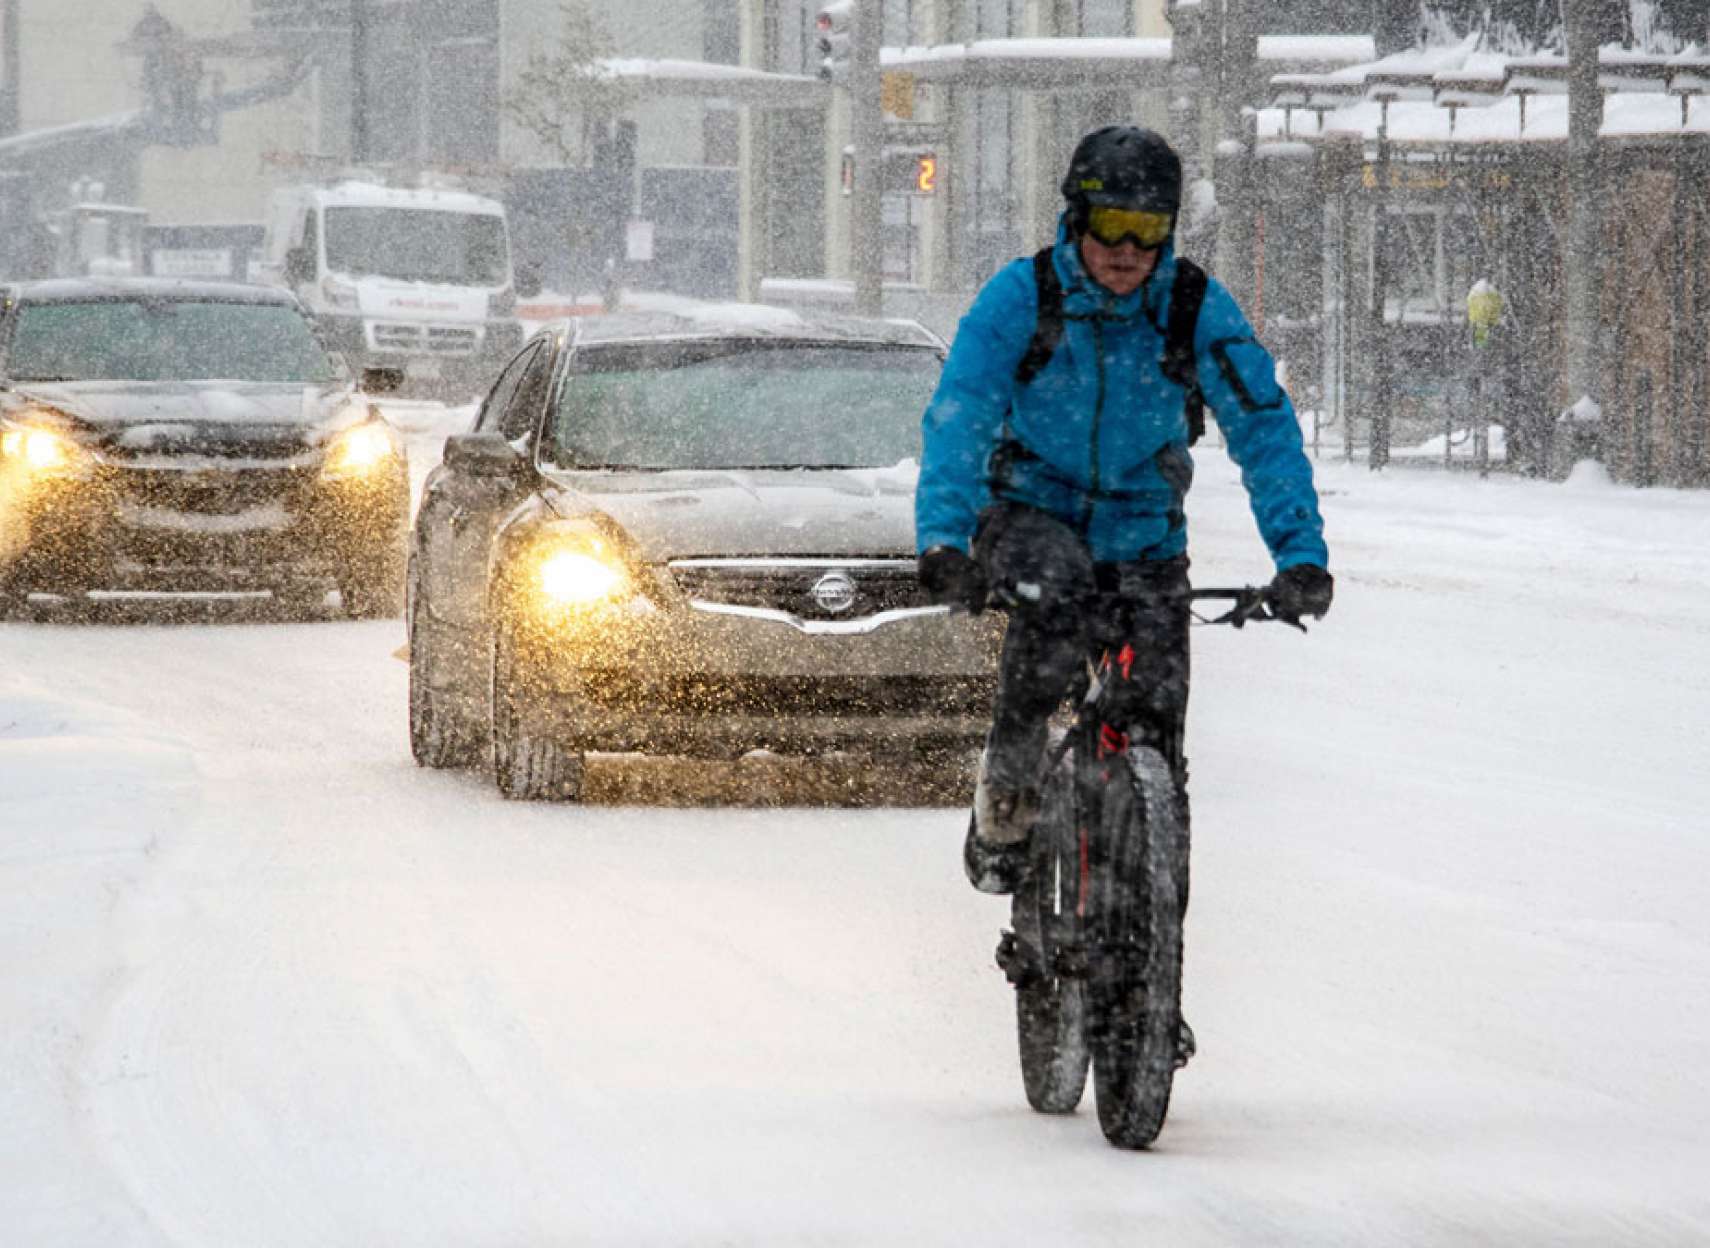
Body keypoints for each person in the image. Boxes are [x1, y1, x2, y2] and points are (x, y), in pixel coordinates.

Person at [915, 125, 1333, 914]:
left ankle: (1153, 955)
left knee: (1157, 727)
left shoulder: (1191, 307)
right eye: (1112, 228)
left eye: (1149, 233)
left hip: (1145, 538)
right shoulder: (1022, 298)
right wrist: (943, 538)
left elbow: (1265, 427)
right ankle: (1007, 787)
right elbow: (961, 415)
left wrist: (1300, 556)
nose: (1127, 251)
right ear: (1076, 219)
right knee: (1054, 603)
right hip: (1031, 514)